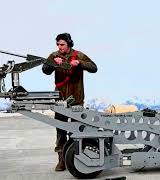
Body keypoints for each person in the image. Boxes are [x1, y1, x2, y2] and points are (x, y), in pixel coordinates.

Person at [42, 33, 97, 171]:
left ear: (69, 44)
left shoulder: (78, 55)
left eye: (62, 45)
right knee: (60, 131)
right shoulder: (54, 55)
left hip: (76, 99)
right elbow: (45, 70)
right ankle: (61, 161)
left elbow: (94, 67)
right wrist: (54, 63)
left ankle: (74, 159)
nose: (59, 47)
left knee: (76, 132)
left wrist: (80, 63)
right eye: (58, 45)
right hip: (60, 99)